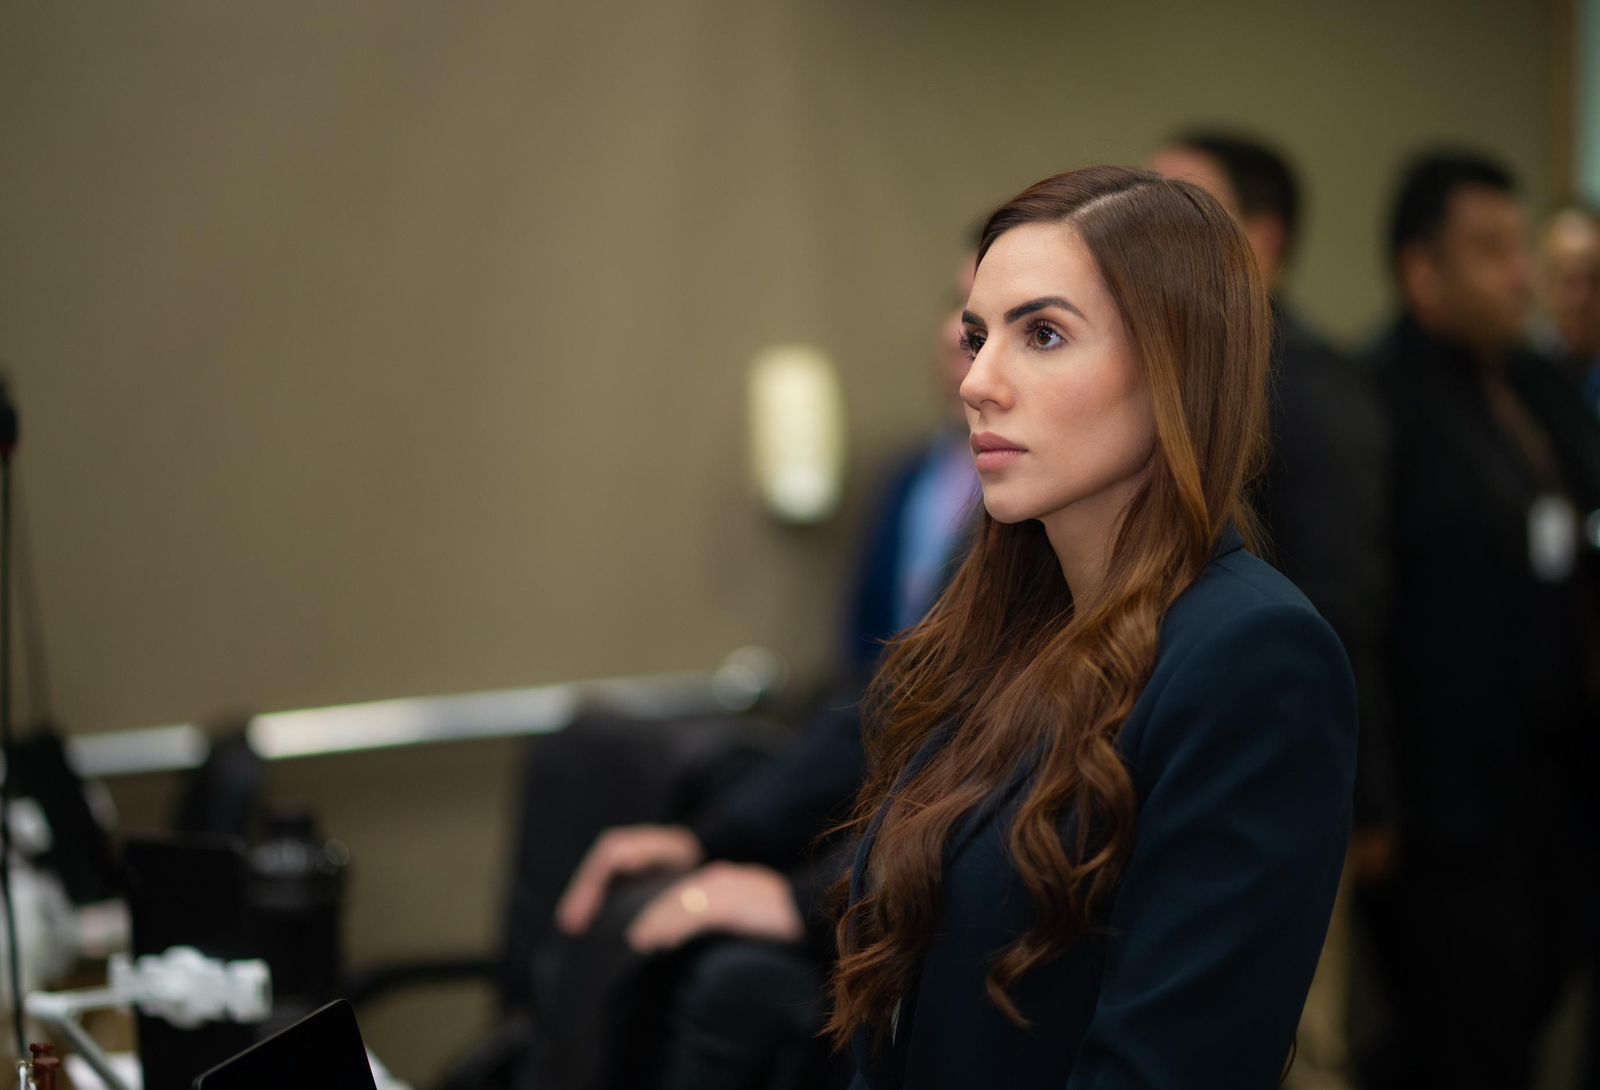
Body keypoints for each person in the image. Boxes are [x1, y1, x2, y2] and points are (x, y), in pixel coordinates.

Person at [828, 165, 1358, 1090]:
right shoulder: (998, 629)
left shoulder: (1255, 656)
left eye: (1042, 334)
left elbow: (1172, 1066)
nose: (978, 382)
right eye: (976, 336)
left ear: (1173, 365)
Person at [549, 254, 980, 1090]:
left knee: (724, 979)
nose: (964, 347)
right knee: (598, 767)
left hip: (917, 871)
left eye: (1039, 332)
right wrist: (718, 842)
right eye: (967, 317)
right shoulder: (927, 492)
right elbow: (878, 689)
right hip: (867, 789)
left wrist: (807, 896)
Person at [1150, 130, 1393, 1090]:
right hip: (1184, 754)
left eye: (1183, 207)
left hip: (1280, 758)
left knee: (1296, 1051)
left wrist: (1365, 798)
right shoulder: (1175, 365)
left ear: (1263, 235)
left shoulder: (1310, 384)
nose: (1147, 230)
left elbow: (1344, 602)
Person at [1360, 150, 1600, 1090]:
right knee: (1466, 1039)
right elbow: (1361, 615)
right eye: (1493, 251)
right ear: (1423, 271)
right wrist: (1373, 802)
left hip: (1558, 787)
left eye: (1520, 247)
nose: (1521, 275)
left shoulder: (1537, 384)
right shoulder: (1380, 401)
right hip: (1447, 816)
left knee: (1528, 1008)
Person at [1536, 203, 1600, 413]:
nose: (1581, 298)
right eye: (1567, 279)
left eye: (1593, 277)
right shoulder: (1521, 377)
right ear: (1542, 282)